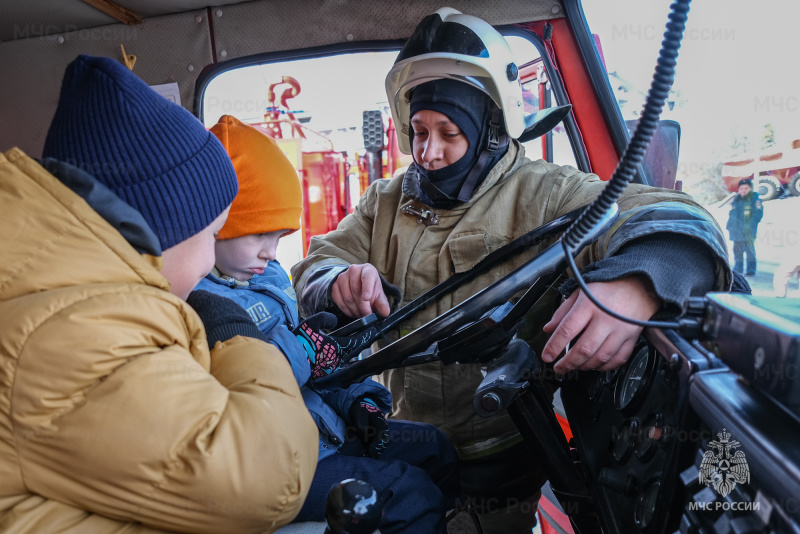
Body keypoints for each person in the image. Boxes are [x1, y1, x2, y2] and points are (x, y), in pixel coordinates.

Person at [290, 8, 733, 534]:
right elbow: (315, 263)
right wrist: (336, 281)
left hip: (501, 457)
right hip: (404, 444)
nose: (428, 153)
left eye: (448, 132)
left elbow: (674, 214)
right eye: (419, 132)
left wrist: (638, 283)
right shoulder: (384, 201)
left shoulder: (545, 193)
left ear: (489, 124)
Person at [0, 55, 318, 533]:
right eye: (211, 237)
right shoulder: (70, 333)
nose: (212, 261)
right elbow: (275, 476)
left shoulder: (70, 298)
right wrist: (237, 338)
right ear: (159, 231)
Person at [195, 115, 463, 534]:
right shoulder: (204, 305)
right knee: (410, 494)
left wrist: (359, 399)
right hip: (276, 460)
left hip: (320, 429)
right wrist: (305, 349)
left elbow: (319, 366)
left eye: (279, 237)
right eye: (256, 235)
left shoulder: (267, 278)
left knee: (434, 449)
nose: (269, 252)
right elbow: (249, 385)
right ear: (213, 226)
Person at [726, 177, 764, 276]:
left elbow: (757, 215)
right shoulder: (736, 200)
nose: (743, 191)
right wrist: (729, 226)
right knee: (737, 251)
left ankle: (751, 270)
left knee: (749, 252)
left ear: (750, 189)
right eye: (741, 188)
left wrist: (749, 227)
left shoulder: (755, 200)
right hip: (736, 231)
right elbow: (732, 215)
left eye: (746, 188)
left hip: (748, 232)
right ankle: (738, 268)